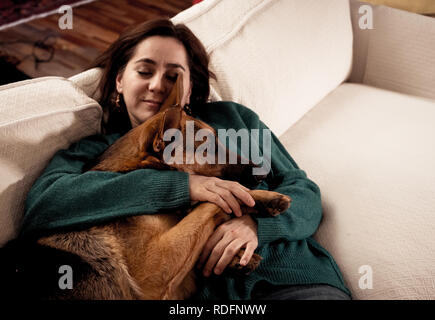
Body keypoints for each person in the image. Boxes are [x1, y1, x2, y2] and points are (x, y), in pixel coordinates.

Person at [20, 18, 351, 300]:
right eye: (145, 71)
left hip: (288, 277)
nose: (157, 86)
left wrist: (256, 226)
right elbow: (44, 205)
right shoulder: (94, 150)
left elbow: (303, 190)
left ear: (190, 88)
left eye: (173, 76)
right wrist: (183, 186)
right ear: (120, 80)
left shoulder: (233, 120)